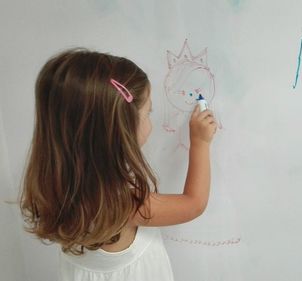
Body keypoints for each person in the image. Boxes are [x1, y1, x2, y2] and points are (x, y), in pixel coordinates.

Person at [20, 48, 217, 281]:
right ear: (119, 130)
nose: (151, 120)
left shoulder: (56, 187)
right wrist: (200, 142)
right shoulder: (120, 204)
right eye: (148, 112)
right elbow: (193, 204)